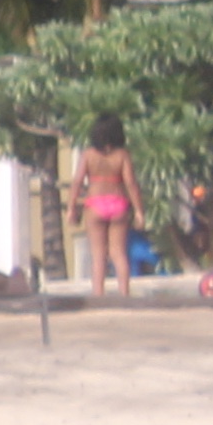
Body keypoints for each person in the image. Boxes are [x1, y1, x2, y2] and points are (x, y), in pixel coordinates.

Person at [72, 118, 140, 294]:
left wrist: (71, 207)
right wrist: (139, 210)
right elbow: (130, 183)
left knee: (98, 255)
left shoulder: (88, 155)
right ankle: (124, 294)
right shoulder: (122, 155)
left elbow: (77, 181)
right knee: (119, 254)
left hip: (95, 204)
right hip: (118, 204)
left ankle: (98, 296)